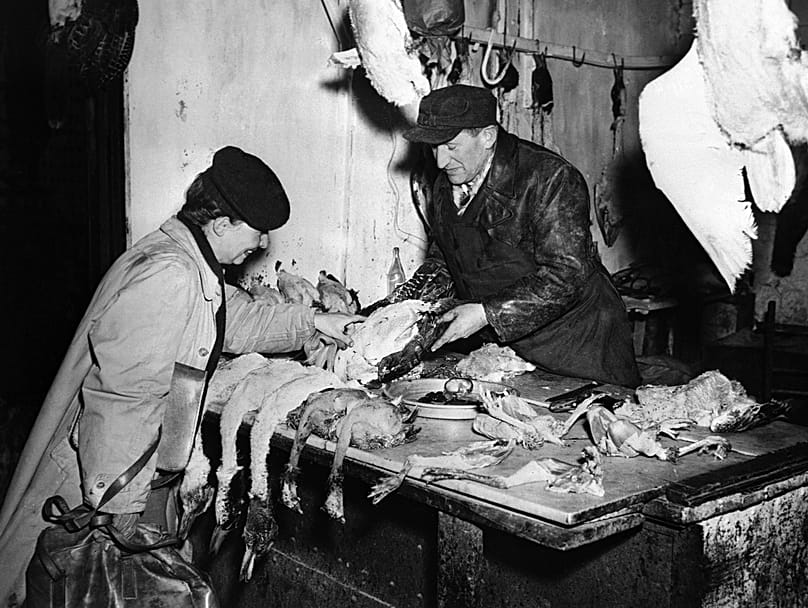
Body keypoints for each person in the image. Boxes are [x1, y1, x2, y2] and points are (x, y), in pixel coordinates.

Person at [0, 146, 363, 606]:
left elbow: (233, 320)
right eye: (258, 231)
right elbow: (124, 396)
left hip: (132, 475)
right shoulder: (170, 274)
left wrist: (313, 323)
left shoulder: (188, 259)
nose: (264, 244)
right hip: (109, 483)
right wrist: (120, 507)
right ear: (221, 223)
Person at [399, 84, 640, 388]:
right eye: (433, 148)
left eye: (451, 147)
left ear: (487, 136)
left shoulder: (549, 177)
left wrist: (487, 313)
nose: (440, 162)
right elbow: (444, 259)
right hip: (505, 345)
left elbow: (566, 275)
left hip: (577, 343)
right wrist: (402, 305)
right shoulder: (446, 183)